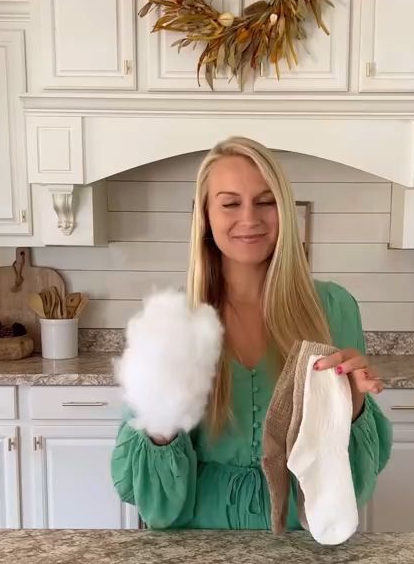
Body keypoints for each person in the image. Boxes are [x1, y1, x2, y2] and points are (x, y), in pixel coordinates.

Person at [110, 136, 393, 531]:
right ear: (206, 217)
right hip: (197, 541)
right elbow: (139, 491)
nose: (250, 219)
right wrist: (161, 419)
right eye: (229, 203)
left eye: (265, 201)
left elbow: (356, 476)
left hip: (301, 534)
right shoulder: (173, 318)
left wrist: (354, 401)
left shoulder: (332, 307)